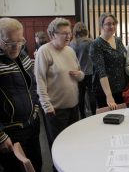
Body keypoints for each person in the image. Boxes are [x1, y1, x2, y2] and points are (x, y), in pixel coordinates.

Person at [0, 17, 42, 172]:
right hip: (10, 132)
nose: (16, 47)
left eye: (20, 41)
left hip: (32, 125)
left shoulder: (23, 54)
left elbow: (32, 84)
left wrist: (36, 107)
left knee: (36, 165)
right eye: (11, 43)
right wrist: (1, 136)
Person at [35, 18, 84, 148]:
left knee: (73, 142)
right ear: (52, 35)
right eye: (64, 33)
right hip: (56, 110)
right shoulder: (44, 51)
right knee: (59, 146)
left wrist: (80, 75)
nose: (68, 36)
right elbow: (40, 79)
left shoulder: (70, 50)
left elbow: (79, 73)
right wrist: (46, 105)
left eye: (69, 32)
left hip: (73, 106)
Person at [90, 13, 127, 109]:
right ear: (102, 26)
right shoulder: (96, 44)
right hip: (104, 91)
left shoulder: (118, 40)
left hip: (121, 88)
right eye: (108, 24)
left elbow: (125, 60)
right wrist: (109, 96)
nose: (112, 26)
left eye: (114, 23)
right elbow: (101, 72)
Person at [70, 22, 96, 118]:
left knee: (80, 95)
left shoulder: (72, 43)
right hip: (89, 72)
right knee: (91, 94)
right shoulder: (90, 42)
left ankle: (82, 115)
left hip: (77, 73)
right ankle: (94, 114)